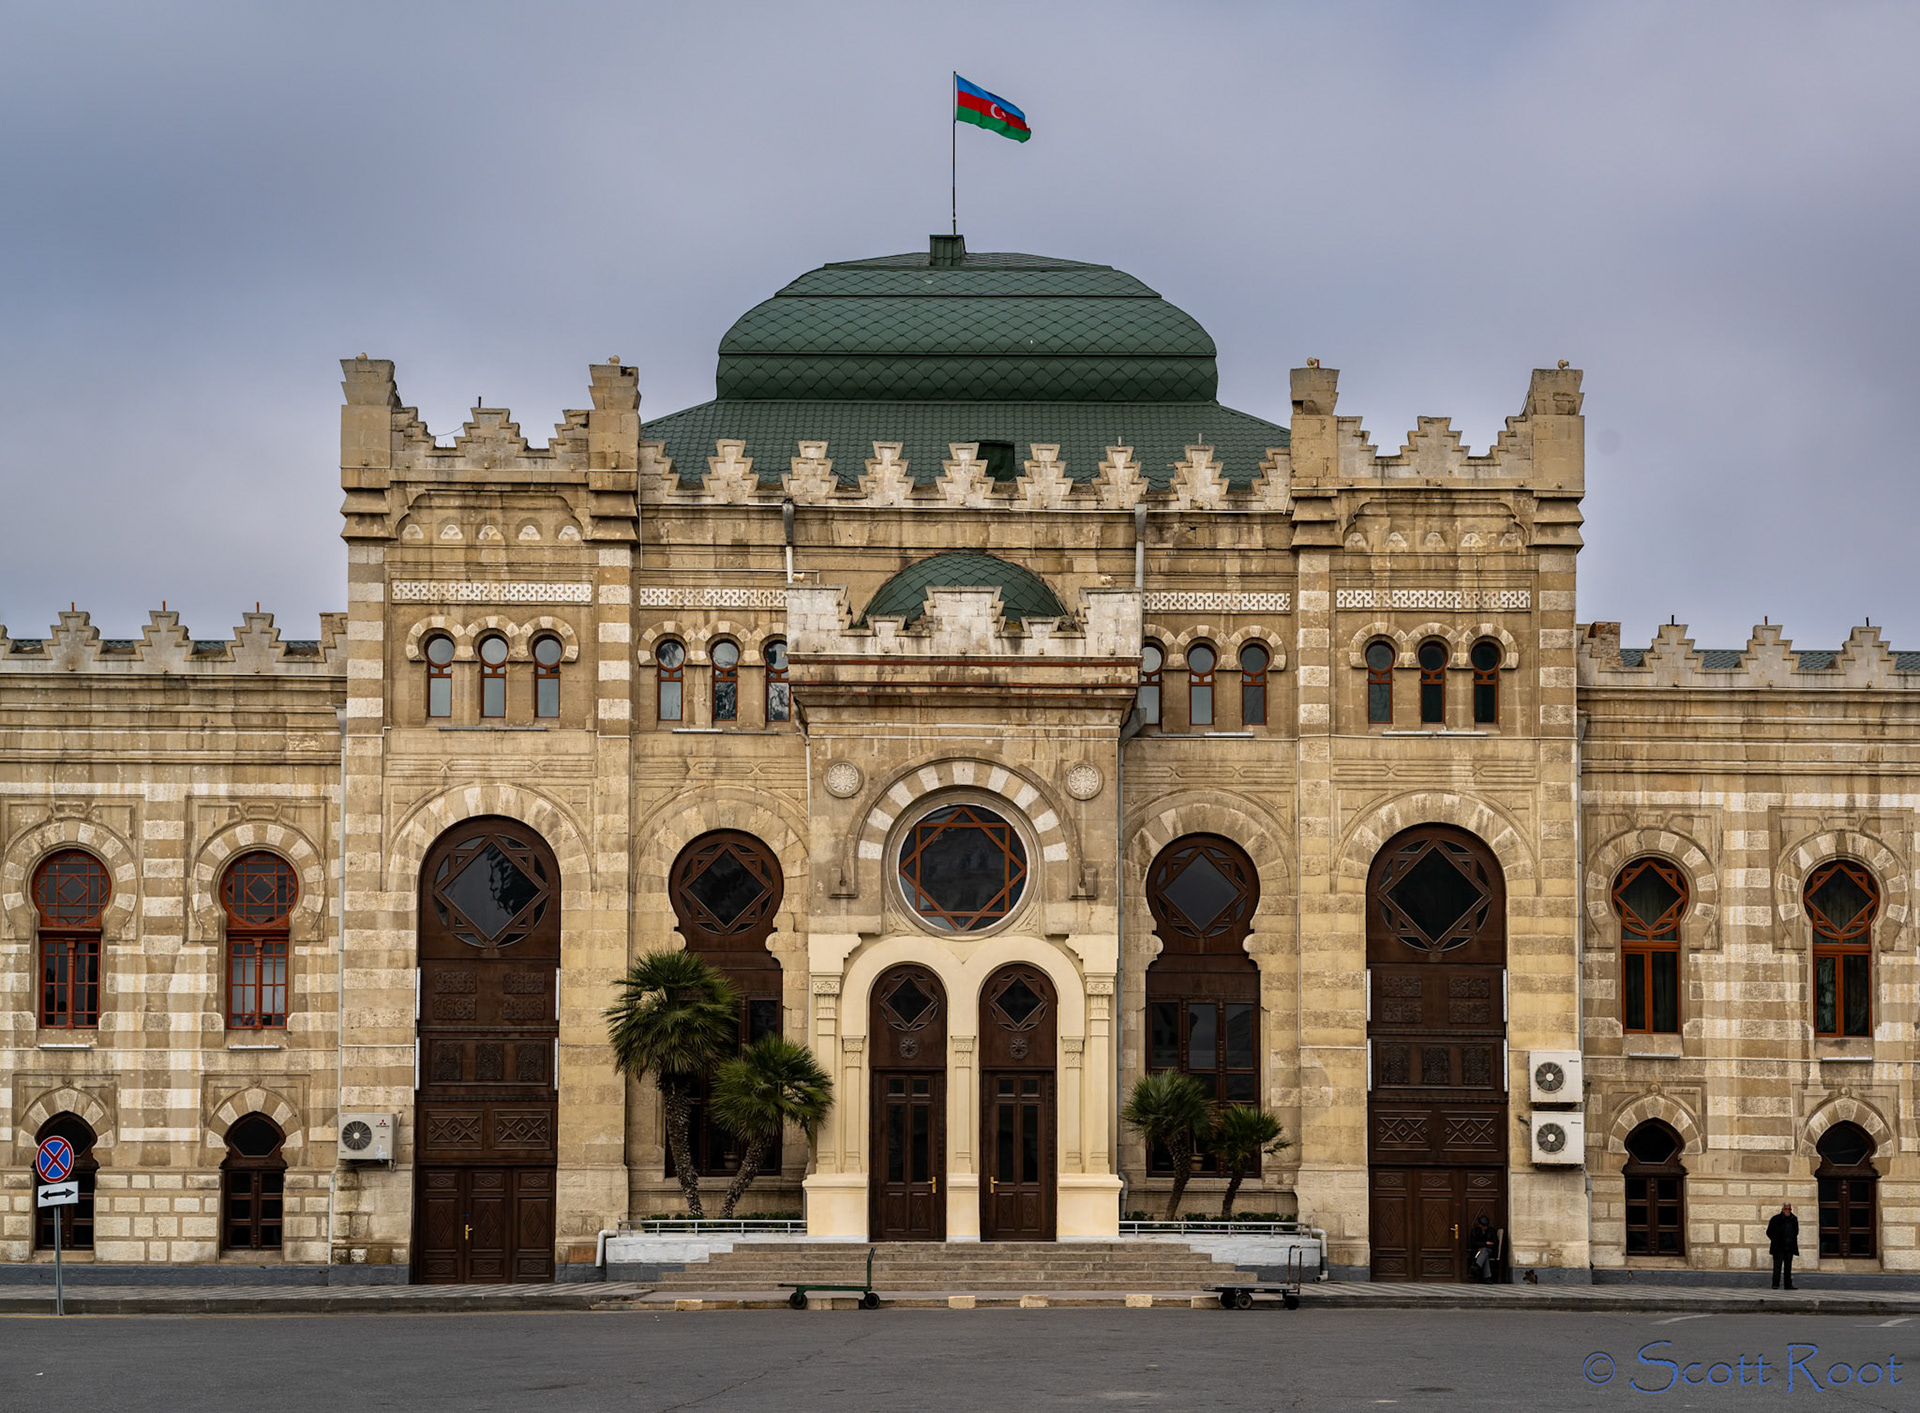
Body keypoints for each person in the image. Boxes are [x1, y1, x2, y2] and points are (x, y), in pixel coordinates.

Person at [1767, 1202, 1799, 1290]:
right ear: (1782, 1209)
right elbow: (1769, 1232)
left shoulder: (1793, 1219)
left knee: (1788, 1267)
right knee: (1777, 1267)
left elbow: (1796, 1232)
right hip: (1778, 1247)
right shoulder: (1775, 1219)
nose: (1787, 1211)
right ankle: (1775, 1284)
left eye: (1789, 1209)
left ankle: (1788, 1285)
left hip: (1789, 1247)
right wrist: (1775, 1240)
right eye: (1786, 1209)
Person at [1469, 1213, 1499, 1282]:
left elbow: (1494, 1242)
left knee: (1484, 1250)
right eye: (1483, 1226)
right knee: (1485, 1256)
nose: (1484, 1228)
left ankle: (1477, 1266)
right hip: (1477, 1251)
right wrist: (1484, 1243)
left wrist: (1485, 1245)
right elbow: (1473, 1242)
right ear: (1479, 1225)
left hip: (1490, 1250)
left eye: (1485, 1226)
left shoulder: (1491, 1231)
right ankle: (1487, 1277)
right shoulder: (1475, 1231)